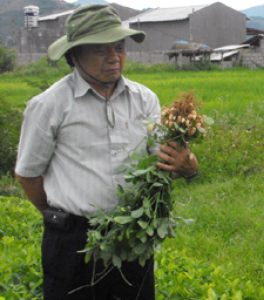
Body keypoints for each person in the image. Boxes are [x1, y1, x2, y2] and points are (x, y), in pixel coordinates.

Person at [15, 4, 198, 299]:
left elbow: (165, 162)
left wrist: (188, 165)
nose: (114, 58)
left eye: (119, 48)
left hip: (134, 237)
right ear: (74, 55)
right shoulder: (49, 105)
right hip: (72, 245)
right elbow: (28, 176)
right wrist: (65, 220)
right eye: (102, 50)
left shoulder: (145, 99)